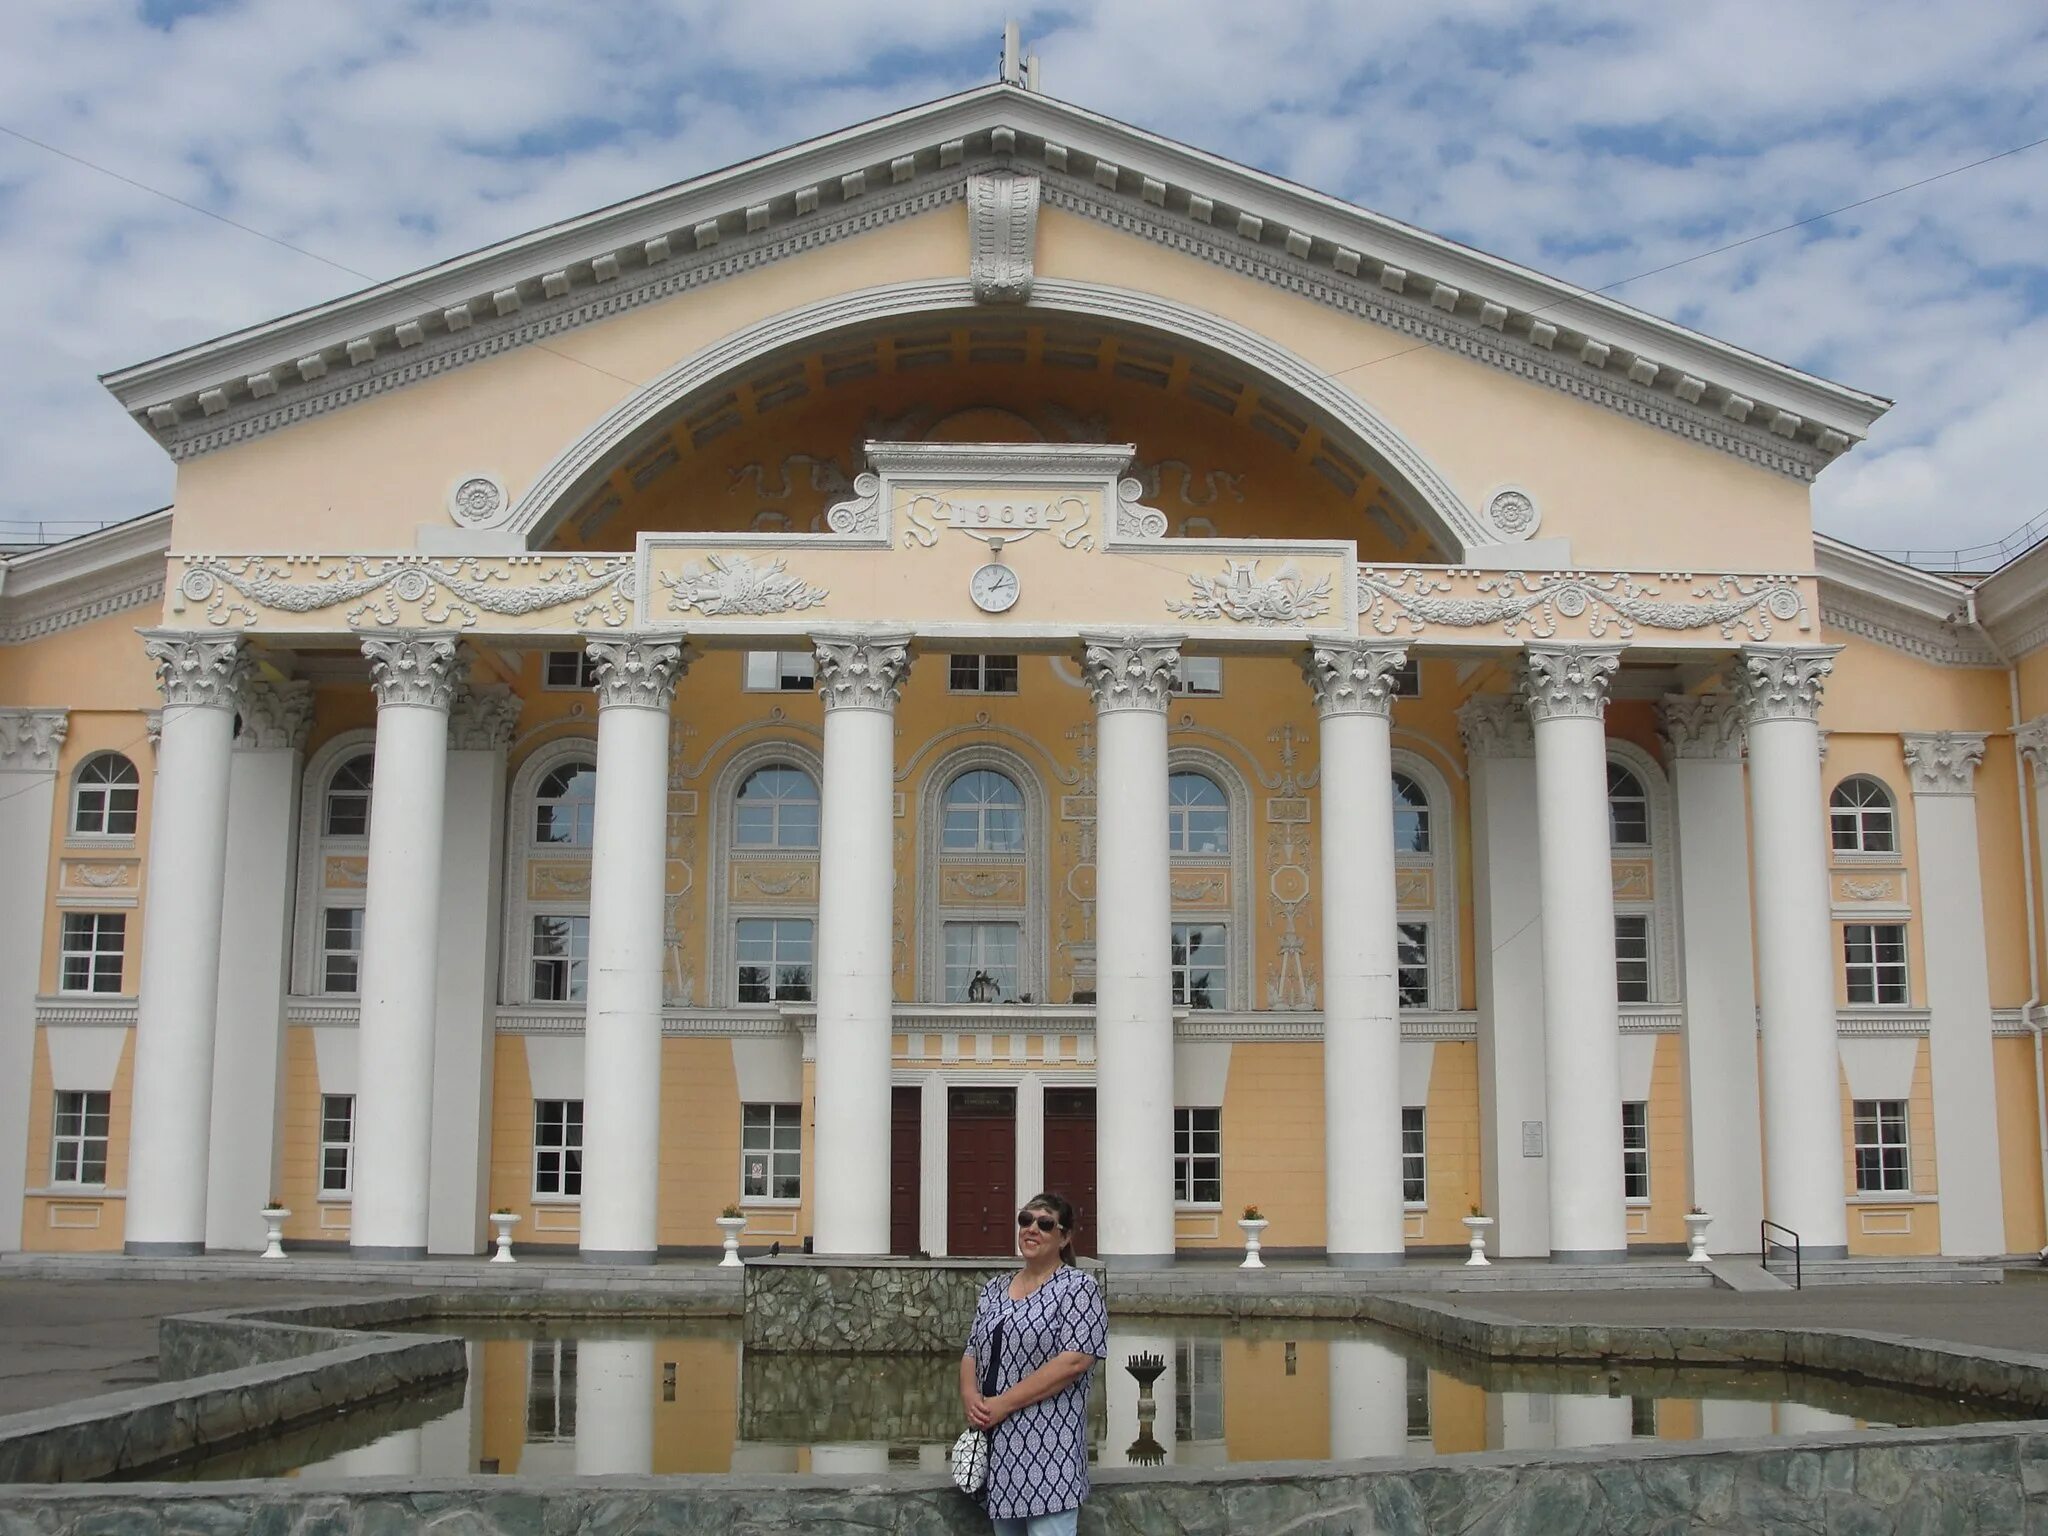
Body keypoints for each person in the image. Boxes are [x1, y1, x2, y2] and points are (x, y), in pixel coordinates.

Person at [959, 1191, 1108, 1536]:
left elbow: (1075, 1360)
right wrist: (970, 1396)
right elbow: (971, 1351)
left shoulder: (1078, 1288)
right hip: (1000, 1452)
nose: (1032, 1229)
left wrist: (1003, 1403)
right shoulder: (994, 1289)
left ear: (1065, 1237)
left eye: (1045, 1224)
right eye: (1025, 1220)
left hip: (1049, 1451)